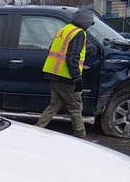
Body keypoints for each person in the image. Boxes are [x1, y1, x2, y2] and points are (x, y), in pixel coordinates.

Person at [36, 9, 95, 138]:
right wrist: (77, 79)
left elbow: (57, 50)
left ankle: (37, 129)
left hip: (54, 74)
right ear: (86, 23)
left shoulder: (64, 30)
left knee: (53, 106)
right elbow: (72, 57)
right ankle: (80, 135)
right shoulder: (79, 33)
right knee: (75, 108)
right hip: (67, 77)